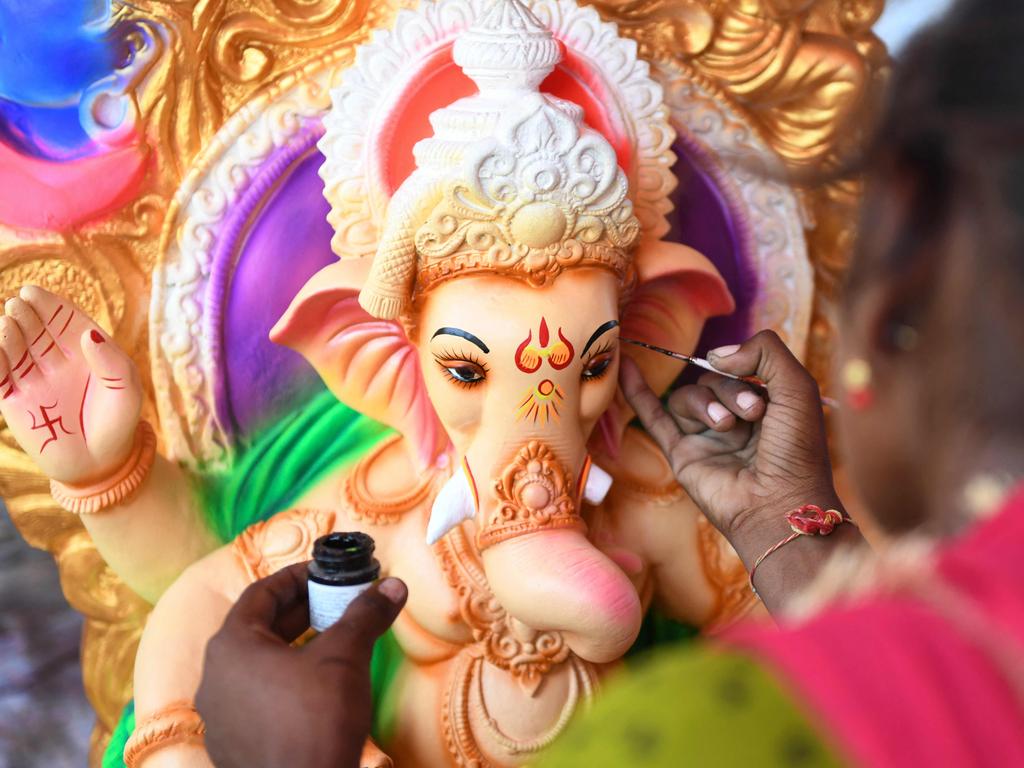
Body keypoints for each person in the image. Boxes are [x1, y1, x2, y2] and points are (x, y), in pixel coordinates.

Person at [194, 0, 1024, 764]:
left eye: (594, 364)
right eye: (465, 369)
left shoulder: (714, 705)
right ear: (374, 350)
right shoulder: (372, 505)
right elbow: (197, 604)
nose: (545, 416)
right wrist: (789, 533)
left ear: (654, 328)